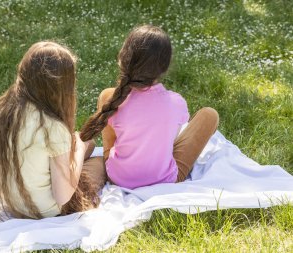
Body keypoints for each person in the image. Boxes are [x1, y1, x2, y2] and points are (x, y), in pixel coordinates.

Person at [80, 25, 219, 189]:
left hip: (117, 177)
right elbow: (171, 136)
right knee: (210, 115)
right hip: (164, 179)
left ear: (122, 58)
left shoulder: (110, 99)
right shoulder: (176, 103)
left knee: (108, 98)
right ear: (165, 67)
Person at [0, 41, 106, 220]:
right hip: (44, 210)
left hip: (13, 203)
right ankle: (85, 154)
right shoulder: (52, 128)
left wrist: (79, 146)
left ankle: (81, 148)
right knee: (100, 162)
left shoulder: (5, 109)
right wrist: (79, 152)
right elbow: (63, 196)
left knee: (89, 143)